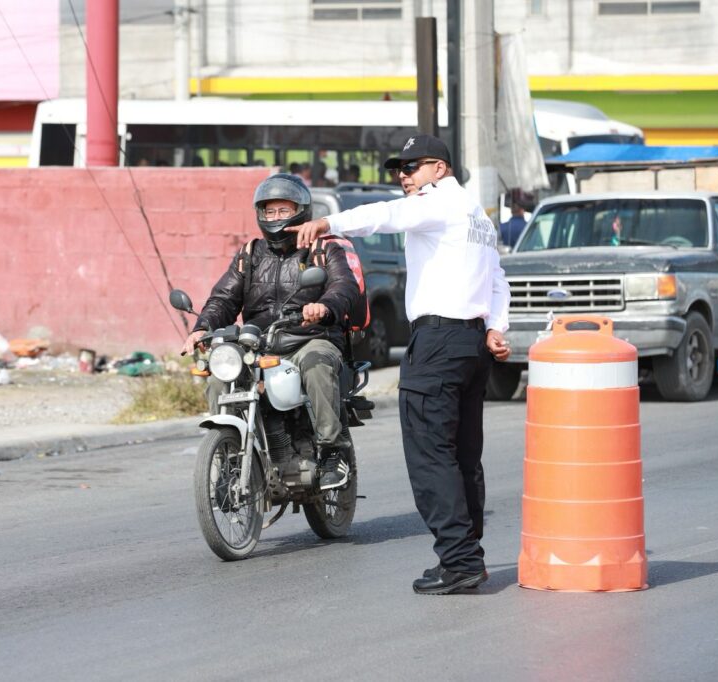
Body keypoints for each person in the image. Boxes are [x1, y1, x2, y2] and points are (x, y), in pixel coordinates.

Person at [288, 134, 511, 594]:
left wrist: (329, 221)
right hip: (471, 343)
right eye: (399, 170)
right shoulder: (476, 215)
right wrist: (495, 326)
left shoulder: (438, 202)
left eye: (412, 168)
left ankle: (460, 559)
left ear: (440, 169)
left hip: (439, 343)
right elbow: (497, 277)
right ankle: (467, 555)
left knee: (431, 455)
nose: (403, 177)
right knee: (464, 456)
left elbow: (386, 215)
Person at [182, 173, 360, 489]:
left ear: (301, 210)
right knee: (218, 376)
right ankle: (230, 455)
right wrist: (203, 328)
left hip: (308, 338)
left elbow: (343, 286)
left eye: (284, 210)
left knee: (317, 363)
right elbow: (224, 297)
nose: (276, 218)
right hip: (259, 344)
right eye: (270, 211)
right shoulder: (251, 254)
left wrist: (325, 306)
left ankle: (333, 452)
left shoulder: (323, 248)